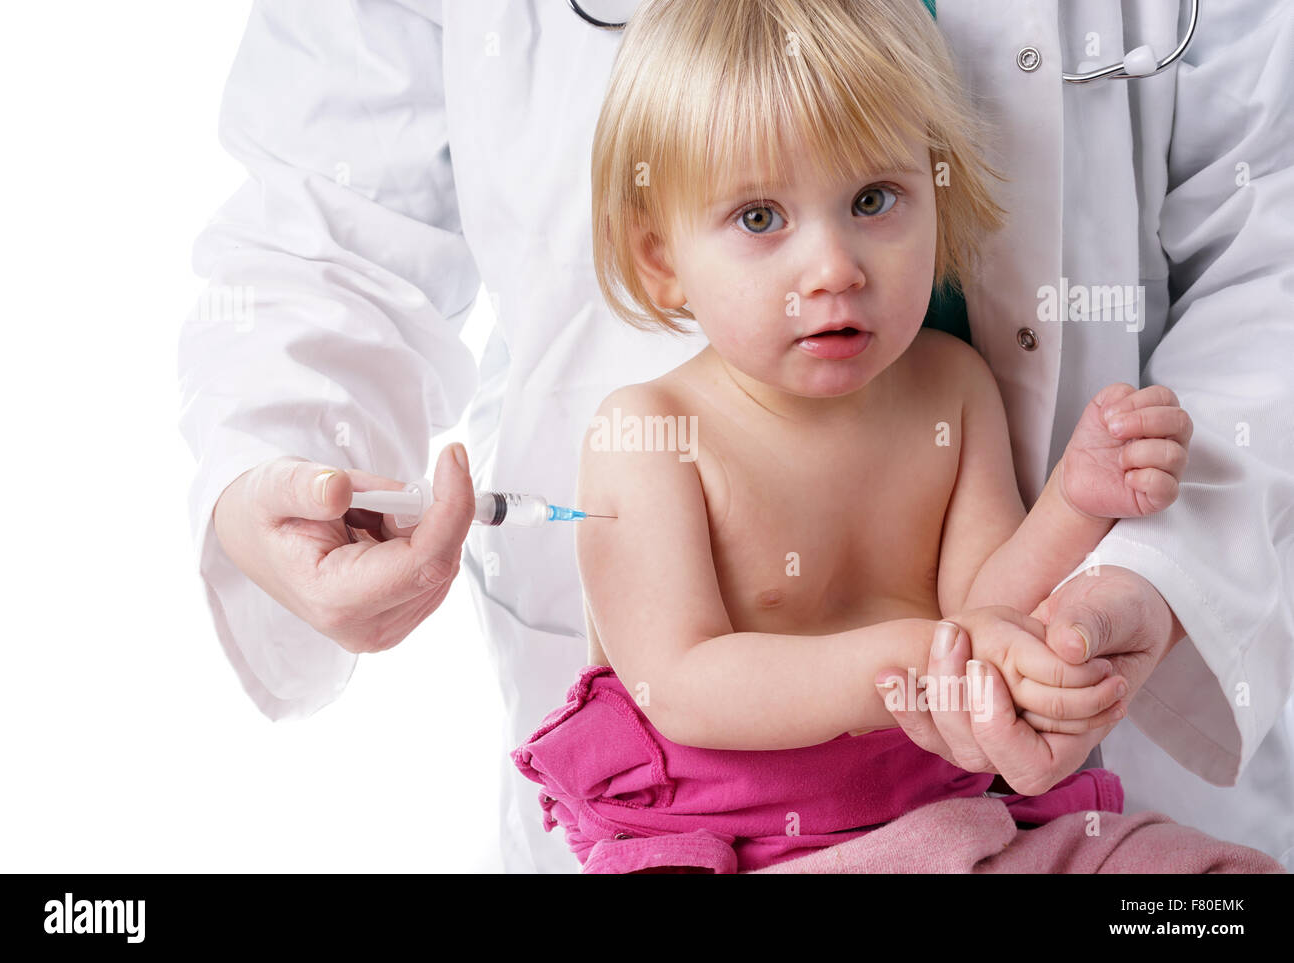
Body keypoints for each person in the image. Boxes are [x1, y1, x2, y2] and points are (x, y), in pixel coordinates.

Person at [181, 0, 1294, 872]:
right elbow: (684, 685)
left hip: (969, 806)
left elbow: (988, 605)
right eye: (760, 219)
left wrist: (1080, 505)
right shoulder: (649, 435)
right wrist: (922, 665)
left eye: (874, 199)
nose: (833, 267)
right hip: (757, 840)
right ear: (660, 260)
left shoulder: (951, 389)